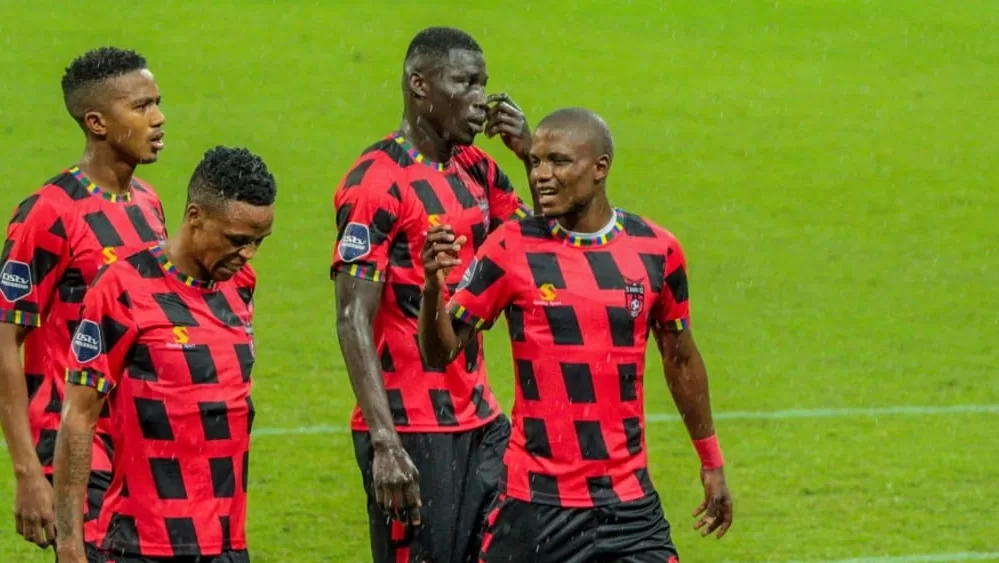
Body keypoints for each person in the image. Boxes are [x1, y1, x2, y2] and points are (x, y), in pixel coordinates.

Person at [418, 108, 734, 563]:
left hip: (627, 507)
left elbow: (680, 359)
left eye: (559, 162)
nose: (541, 175)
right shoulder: (511, 246)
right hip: (534, 506)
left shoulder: (656, 250)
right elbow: (440, 353)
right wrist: (432, 288)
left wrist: (711, 460)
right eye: (536, 162)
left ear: (600, 168)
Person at [331, 26, 538, 563]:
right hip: (412, 430)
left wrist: (531, 157)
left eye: (484, 84)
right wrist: (385, 443)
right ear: (419, 85)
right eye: (465, 83)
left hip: (483, 423)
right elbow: (352, 316)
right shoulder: (376, 182)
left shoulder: (479, 171)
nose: (481, 100)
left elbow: (541, 251)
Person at [52, 146, 276, 563]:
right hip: (139, 544)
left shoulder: (241, 283)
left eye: (258, 241)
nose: (248, 254)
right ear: (195, 216)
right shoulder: (122, 287)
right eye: (237, 240)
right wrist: (68, 544)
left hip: (226, 543)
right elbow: (78, 415)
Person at [0, 46, 167, 553]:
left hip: (138, 444)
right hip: (76, 450)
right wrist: (28, 471)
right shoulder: (47, 213)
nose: (158, 118)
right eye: (140, 107)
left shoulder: (149, 204)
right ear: (97, 123)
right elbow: (4, 338)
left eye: (157, 103)